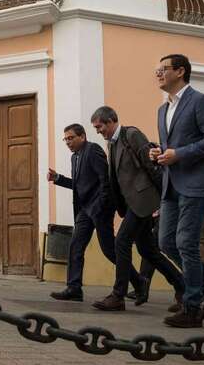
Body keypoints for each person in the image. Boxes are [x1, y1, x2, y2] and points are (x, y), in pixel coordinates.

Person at [150, 53, 204, 328]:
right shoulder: (162, 109)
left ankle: (192, 307)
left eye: (163, 69)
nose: (158, 74)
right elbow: (171, 146)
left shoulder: (200, 101)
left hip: (197, 184)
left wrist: (178, 154)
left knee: (185, 242)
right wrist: (159, 154)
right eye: (156, 70)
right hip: (171, 184)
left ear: (180, 71)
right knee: (166, 243)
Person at [89, 106, 185, 311]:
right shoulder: (112, 144)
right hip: (133, 203)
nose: (98, 131)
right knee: (148, 251)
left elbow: (151, 166)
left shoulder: (131, 135)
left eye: (100, 126)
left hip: (145, 201)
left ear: (111, 120)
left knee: (121, 242)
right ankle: (181, 285)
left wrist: (163, 199)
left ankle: (118, 295)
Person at [47, 124, 144, 302]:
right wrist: (58, 179)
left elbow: (105, 179)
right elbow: (79, 185)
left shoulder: (93, 150)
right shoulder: (75, 158)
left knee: (109, 250)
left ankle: (138, 282)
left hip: (99, 209)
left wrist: (101, 206)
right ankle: (74, 288)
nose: (68, 142)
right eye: (65, 139)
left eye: (71, 138)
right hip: (85, 210)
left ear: (82, 136)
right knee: (75, 246)